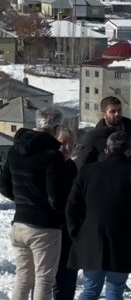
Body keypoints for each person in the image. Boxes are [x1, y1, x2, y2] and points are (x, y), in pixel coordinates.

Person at [0, 106, 73, 300]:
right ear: (56, 128)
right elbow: (54, 197)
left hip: (19, 222)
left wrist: (24, 201)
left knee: (23, 278)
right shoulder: (52, 156)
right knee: (44, 279)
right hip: (44, 226)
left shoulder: (16, 150)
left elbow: (4, 185)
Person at [67, 132, 131, 300]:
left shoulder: (87, 171)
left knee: (90, 289)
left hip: (90, 237)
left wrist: (75, 231)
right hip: (123, 239)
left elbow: (72, 205)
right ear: (129, 150)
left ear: (106, 149)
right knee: (115, 289)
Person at [53, 126, 79, 300]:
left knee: (69, 275)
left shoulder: (72, 166)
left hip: (70, 229)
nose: (67, 147)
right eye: (63, 143)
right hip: (53, 227)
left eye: (71, 143)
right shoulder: (51, 165)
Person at [78, 96, 131, 167]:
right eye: (112, 111)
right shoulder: (94, 137)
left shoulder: (130, 131)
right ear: (104, 115)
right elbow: (83, 165)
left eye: (119, 110)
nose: (117, 114)